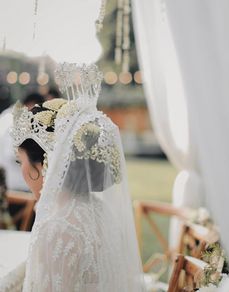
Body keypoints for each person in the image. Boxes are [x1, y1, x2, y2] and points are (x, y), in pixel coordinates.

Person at [11, 63, 145, 291]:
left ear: (44, 164)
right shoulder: (101, 210)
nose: (22, 171)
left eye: (20, 161)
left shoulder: (56, 228)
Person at [0, 92, 45, 191]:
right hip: (17, 184)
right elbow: (12, 153)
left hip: (16, 182)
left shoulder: (8, 115)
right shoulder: (16, 121)